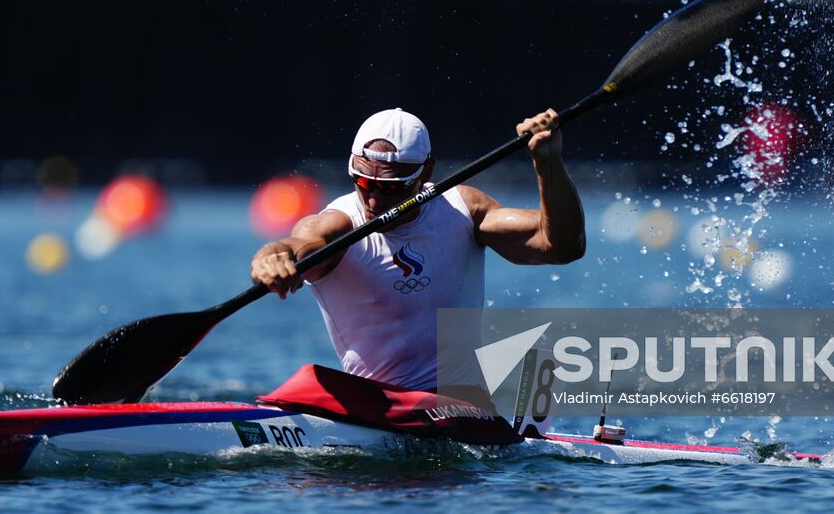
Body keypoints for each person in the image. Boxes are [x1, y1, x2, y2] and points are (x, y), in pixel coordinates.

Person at [249, 107, 585, 392]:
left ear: (426, 171)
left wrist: (548, 163)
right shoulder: (338, 224)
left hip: (464, 410)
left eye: (391, 187)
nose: (374, 200)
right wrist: (273, 257)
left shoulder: (462, 209)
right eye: (364, 183)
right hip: (380, 411)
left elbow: (562, 246)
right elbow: (298, 245)